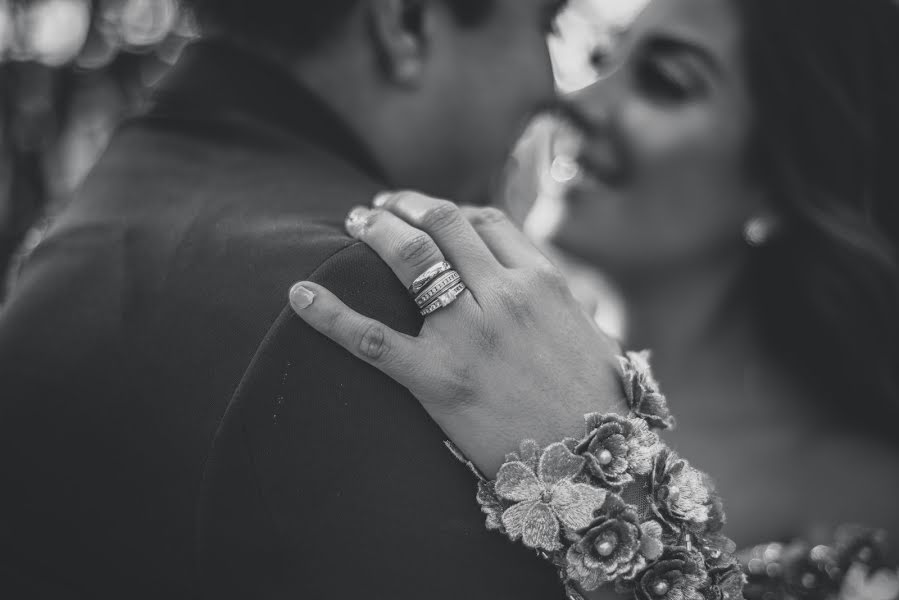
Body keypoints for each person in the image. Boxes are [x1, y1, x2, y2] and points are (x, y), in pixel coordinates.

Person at [0, 1, 635, 598]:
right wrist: (605, 466)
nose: (552, 88)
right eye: (545, 22)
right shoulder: (370, 304)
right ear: (405, 23)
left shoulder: (102, 211)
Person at [286, 0, 899, 571]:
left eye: (665, 81)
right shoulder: (460, 362)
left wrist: (599, 473)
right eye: (603, 59)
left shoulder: (866, 491)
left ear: (779, 181)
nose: (576, 99)